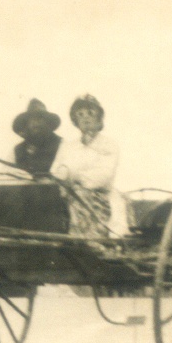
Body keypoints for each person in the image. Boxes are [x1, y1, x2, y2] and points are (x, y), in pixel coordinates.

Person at [51, 93, 126, 238]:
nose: (85, 117)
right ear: (76, 121)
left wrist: (74, 177)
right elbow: (57, 169)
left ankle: (88, 240)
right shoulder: (68, 146)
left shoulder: (108, 145)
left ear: (99, 119)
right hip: (69, 192)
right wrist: (63, 174)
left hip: (99, 194)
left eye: (90, 113)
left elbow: (104, 174)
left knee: (80, 198)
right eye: (80, 114)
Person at [10, 98, 62, 177]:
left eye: (40, 118)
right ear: (26, 124)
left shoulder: (61, 145)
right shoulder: (19, 150)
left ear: (47, 122)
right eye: (32, 119)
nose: (36, 122)